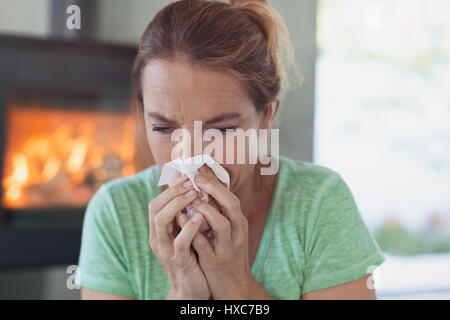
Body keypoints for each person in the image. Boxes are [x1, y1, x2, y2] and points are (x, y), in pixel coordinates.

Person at [75, 0, 385, 300]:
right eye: (164, 128)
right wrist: (185, 292)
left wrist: (235, 285)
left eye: (221, 130)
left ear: (265, 118)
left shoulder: (319, 203)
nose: (189, 158)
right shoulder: (115, 213)